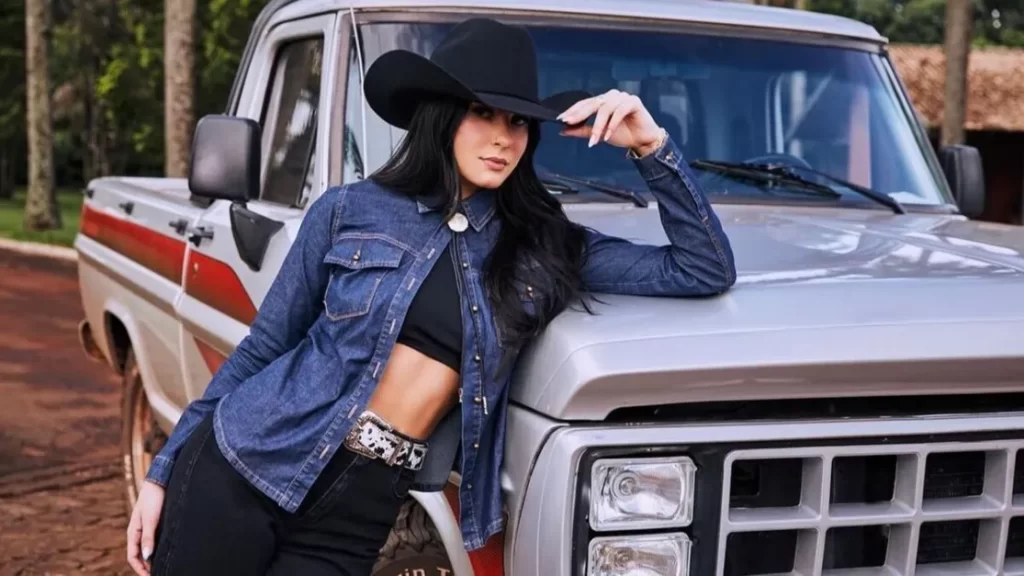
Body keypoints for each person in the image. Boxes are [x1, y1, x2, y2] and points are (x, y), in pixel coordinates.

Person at [126, 17, 736, 576]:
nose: (502, 139)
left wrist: (649, 145)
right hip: (248, 463)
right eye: (482, 113)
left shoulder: (544, 244)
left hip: (358, 513)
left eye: (517, 121)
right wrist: (164, 470)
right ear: (441, 116)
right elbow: (263, 348)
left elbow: (702, 267)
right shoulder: (349, 211)